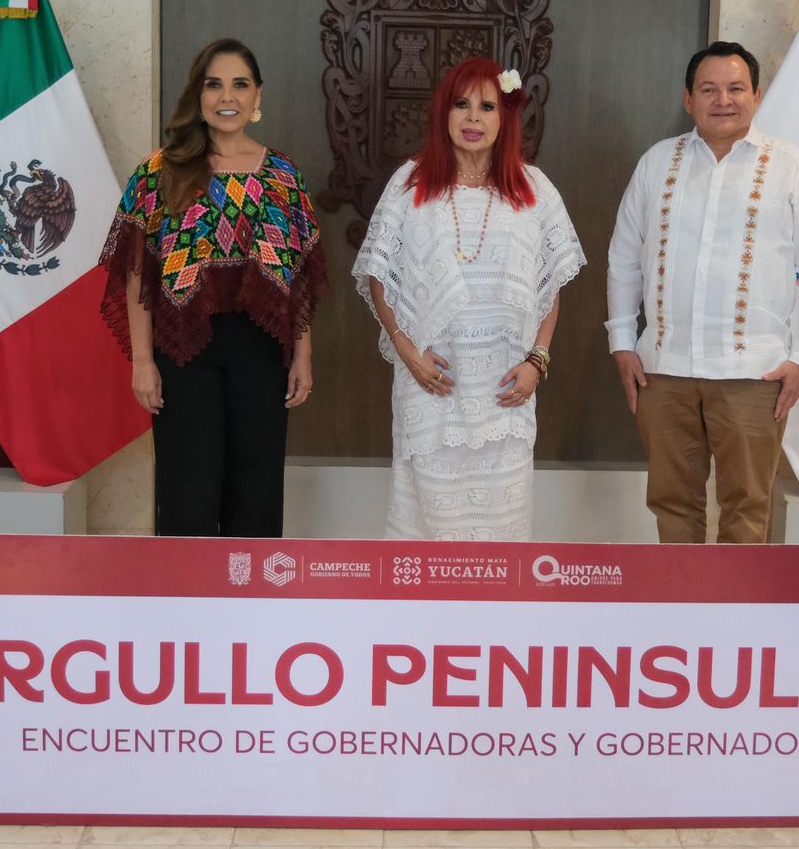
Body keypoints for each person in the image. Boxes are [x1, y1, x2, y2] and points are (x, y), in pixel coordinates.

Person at [606, 41, 799, 544]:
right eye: (709, 89)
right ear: (688, 99)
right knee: (672, 503)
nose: (723, 100)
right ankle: (681, 597)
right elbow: (624, 256)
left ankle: (735, 601)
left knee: (747, 507)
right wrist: (622, 341)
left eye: (736, 88)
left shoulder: (791, 167)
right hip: (664, 371)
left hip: (753, 374)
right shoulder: (657, 163)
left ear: (757, 96)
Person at [99, 38, 328, 537]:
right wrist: (142, 361)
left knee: (256, 491)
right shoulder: (160, 172)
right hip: (184, 348)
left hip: (262, 349)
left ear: (257, 96)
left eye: (239, 85)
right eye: (214, 84)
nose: (227, 96)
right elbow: (137, 272)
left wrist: (303, 354)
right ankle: (187, 590)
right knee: (188, 494)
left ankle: (251, 588)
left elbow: (298, 276)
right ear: (198, 95)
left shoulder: (282, 176)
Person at [354, 58, 585, 541]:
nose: (473, 118)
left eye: (487, 107)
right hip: (432, 384)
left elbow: (549, 287)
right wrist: (407, 352)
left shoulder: (533, 188)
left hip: (506, 388)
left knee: (501, 531)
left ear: (506, 118)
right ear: (444, 114)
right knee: (430, 529)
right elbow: (380, 273)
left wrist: (538, 360)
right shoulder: (410, 184)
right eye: (461, 105)